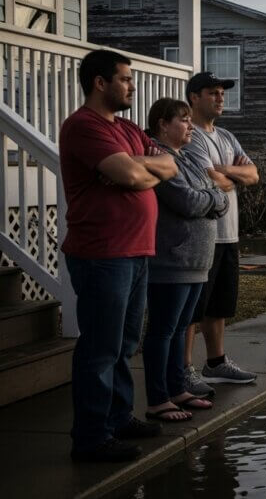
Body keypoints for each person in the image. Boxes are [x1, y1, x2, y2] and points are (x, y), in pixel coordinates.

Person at [60, 49, 178, 462]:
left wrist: (138, 166)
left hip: (136, 251)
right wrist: (137, 170)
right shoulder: (82, 127)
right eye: (125, 79)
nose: (132, 86)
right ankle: (91, 438)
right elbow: (130, 175)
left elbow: (170, 165)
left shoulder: (127, 127)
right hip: (101, 255)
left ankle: (119, 416)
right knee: (101, 348)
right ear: (99, 82)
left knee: (127, 342)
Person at [143, 98, 227, 423]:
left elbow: (218, 195)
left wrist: (211, 197)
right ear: (163, 124)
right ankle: (158, 398)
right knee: (163, 330)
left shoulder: (187, 158)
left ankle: (177, 389)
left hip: (197, 261)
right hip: (171, 260)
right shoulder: (158, 157)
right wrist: (212, 198)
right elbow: (185, 200)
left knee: (180, 329)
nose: (190, 126)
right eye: (183, 119)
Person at [180, 72, 260, 396]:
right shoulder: (191, 136)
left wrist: (226, 172)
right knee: (194, 308)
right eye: (212, 93)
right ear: (194, 98)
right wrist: (229, 175)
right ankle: (184, 368)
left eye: (221, 93)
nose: (220, 98)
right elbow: (209, 181)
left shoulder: (226, 136)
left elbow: (253, 174)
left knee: (220, 305)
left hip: (229, 234)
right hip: (204, 234)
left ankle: (215, 362)